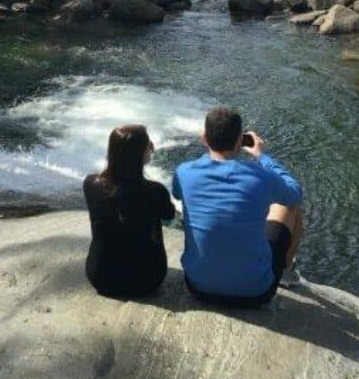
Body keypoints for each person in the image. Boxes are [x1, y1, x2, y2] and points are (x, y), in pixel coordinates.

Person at [172, 106, 303, 308]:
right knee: (289, 206)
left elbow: (177, 194)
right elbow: (294, 193)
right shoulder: (260, 176)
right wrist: (262, 157)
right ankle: (285, 273)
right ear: (240, 142)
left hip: (198, 287)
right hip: (256, 292)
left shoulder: (183, 172)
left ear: (204, 138)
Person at [84, 125, 175, 298]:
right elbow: (169, 215)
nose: (151, 148)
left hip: (101, 277)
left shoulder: (90, 184)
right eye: (148, 145)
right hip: (146, 280)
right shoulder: (155, 191)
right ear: (142, 155)